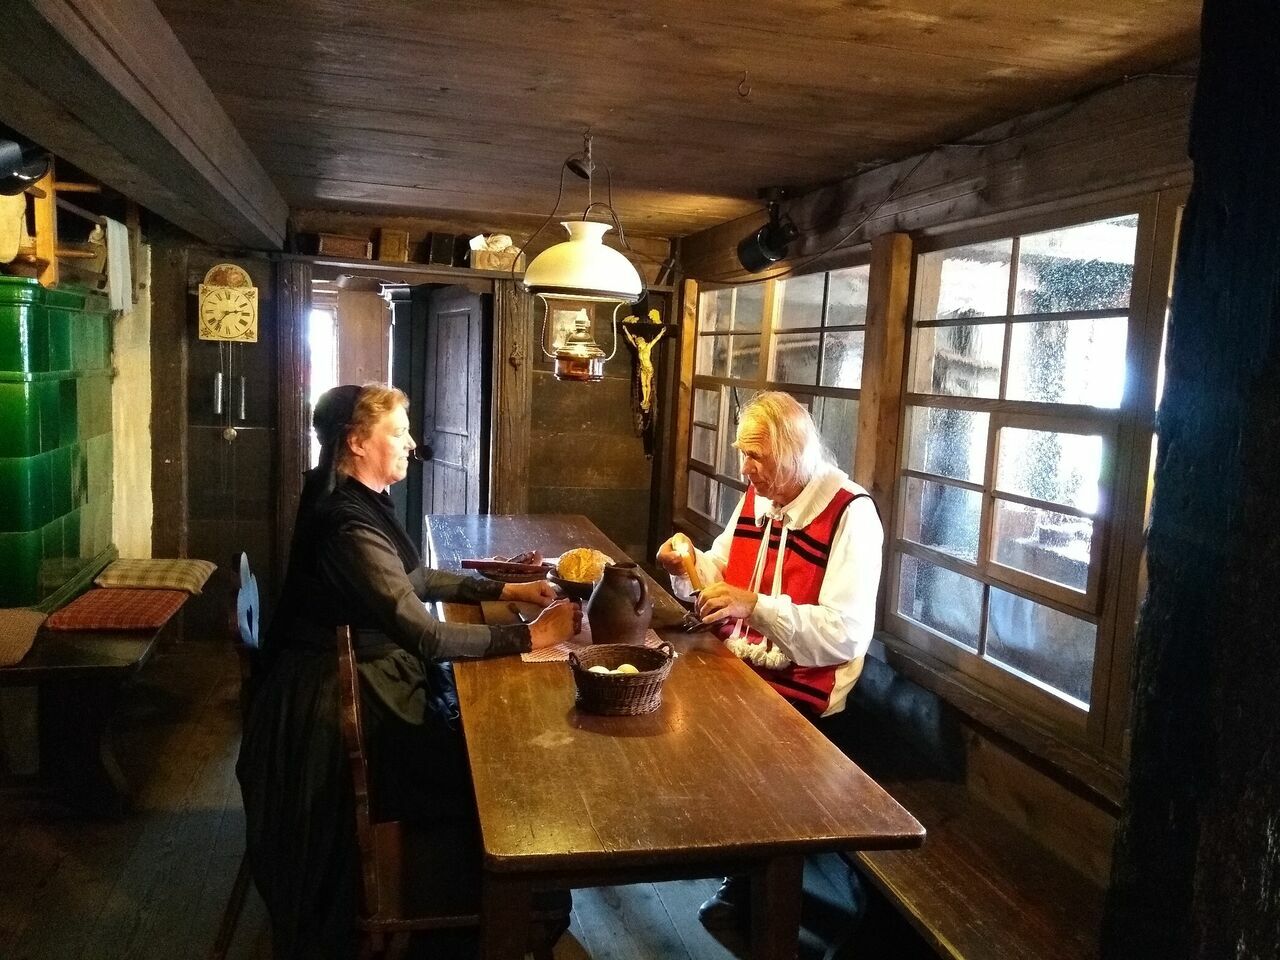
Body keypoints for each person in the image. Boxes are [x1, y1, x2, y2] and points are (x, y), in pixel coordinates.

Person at [237, 384, 578, 960]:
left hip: (354, 668)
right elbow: (426, 635)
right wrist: (531, 636)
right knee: (488, 760)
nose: (411, 443)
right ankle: (488, 901)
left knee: (471, 726)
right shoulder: (346, 525)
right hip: (333, 699)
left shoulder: (351, 494)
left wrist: (504, 589)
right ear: (356, 442)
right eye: (397, 432)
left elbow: (413, 580)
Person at [656, 390, 883, 929]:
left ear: (797, 454)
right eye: (743, 453)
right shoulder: (760, 497)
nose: (745, 469)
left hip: (804, 690)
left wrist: (755, 606)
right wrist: (685, 563)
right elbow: (720, 570)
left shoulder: (850, 515)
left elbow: (846, 634)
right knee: (665, 700)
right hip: (744, 664)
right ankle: (726, 862)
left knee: (709, 734)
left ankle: (757, 886)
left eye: (757, 456)